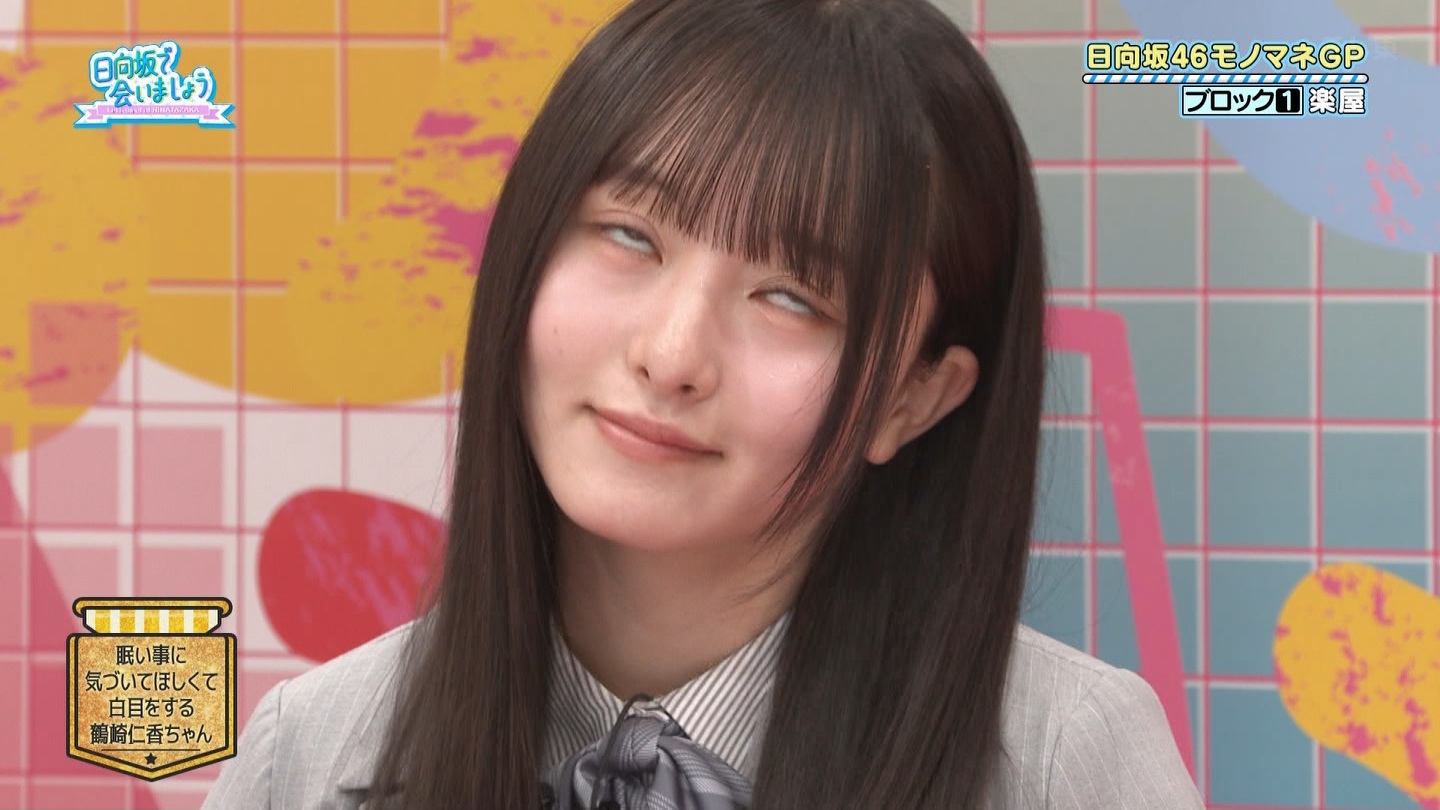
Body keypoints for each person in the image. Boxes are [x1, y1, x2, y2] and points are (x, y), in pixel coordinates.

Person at [202, 0, 1205, 807]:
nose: (672, 355)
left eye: (792, 298)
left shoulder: (1061, 761)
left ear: (912, 398)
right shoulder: (313, 753)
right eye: (630, 237)